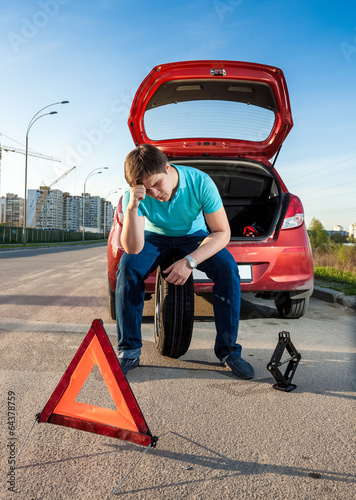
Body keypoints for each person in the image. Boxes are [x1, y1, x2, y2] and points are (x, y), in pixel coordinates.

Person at [115, 144, 254, 379]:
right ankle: (129, 350)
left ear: (168, 168)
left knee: (228, 270)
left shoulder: (200, 182)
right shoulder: (134, 196)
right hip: (154, 237)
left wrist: (189, 262)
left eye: (157, 184)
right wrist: (132, 206)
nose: (154, 194)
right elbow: (133, 247)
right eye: (146, 190)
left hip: (193, 236)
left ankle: (228, 351)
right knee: (128, 267)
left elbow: (222, 233)